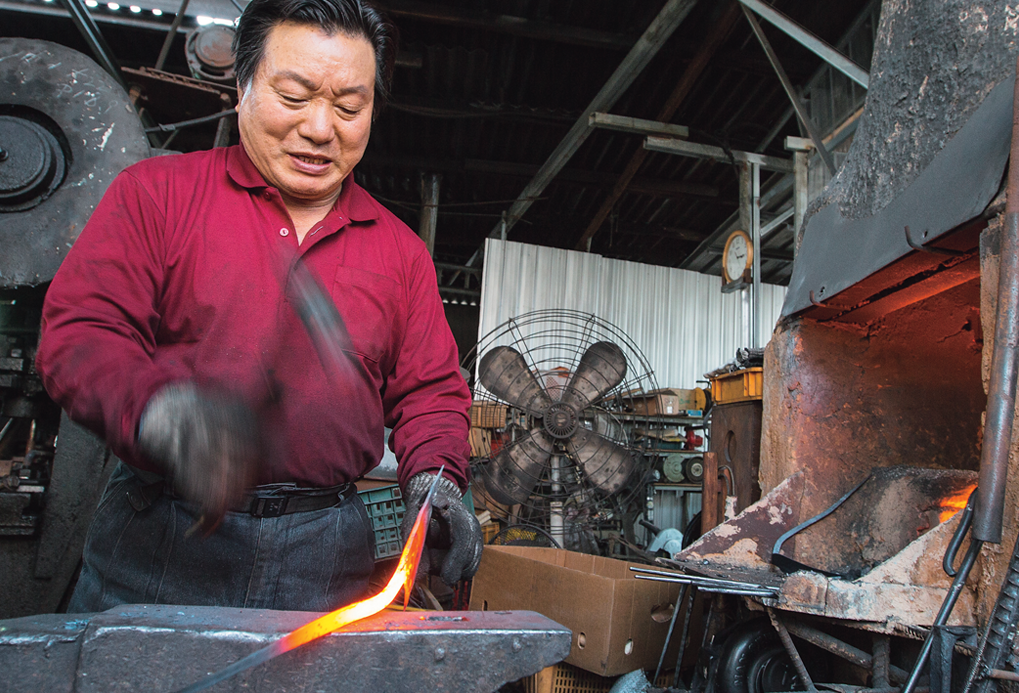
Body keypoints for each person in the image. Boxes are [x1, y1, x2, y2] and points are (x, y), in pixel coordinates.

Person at [35, 0, 482, 613]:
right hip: (162, 537)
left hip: (327, 557)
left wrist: (437, 481)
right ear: (241, 89)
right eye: (294, 97)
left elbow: (431, 391)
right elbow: (82, 333)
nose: (322, 128)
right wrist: (160, 413)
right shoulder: (156, 196)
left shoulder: (401, 252)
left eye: (350, 107)